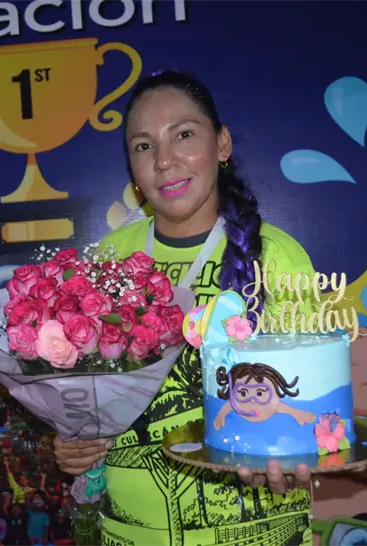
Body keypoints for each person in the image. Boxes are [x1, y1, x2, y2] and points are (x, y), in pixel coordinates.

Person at [52, 70, 318, 545]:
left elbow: (310, 403)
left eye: (184, 135)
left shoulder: (275, 254)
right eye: (143, 146)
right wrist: (73, 443)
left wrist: (296, 453)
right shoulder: (107, 262)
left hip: (255, 524)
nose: (164, 161)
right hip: (132, 530)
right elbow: (83, 398)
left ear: (222, 144)